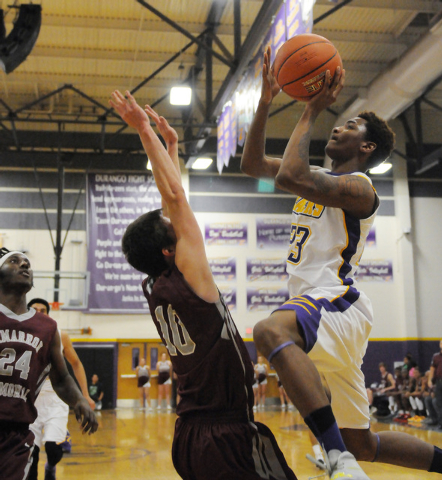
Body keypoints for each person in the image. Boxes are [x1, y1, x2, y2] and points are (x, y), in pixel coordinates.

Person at [241, 45, 442, 477]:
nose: (339, 127)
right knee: (363, 442)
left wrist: (311, 110)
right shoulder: (320, 179)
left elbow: (292, 175)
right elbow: (252, 163)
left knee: (269, 330)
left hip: (335, 302)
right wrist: (265, 102)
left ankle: (335, 457)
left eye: (350, 125)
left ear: (365, 146)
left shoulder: (361, 187)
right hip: (320, 312)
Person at [110, 90, 297, 480]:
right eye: (170, 228)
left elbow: (171, 202)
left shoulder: (160, 285)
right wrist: (145, 130)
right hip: (224, 434)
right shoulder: (192, 278)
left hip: (193, 432)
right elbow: (174, 197)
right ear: (167, 249)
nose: (176, 220)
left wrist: (171, 146)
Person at [0, 248, 98, 480]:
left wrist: (79, 400)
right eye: (14, 261)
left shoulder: (47, 328)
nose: (24, 265)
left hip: (16, 434)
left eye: (26, 263)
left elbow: (61, 377)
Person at [27, 298, 96, 480]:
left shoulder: (59, 334)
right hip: (31, 399)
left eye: (43, 310)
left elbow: (76, 363)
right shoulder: (20, 332)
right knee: (31, 455)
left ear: (48, 314)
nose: (39, 313)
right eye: (35, 309)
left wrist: (86, 396)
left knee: (52, 448)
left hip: (57, 397)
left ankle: (51, 466)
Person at [428, 340, 442, 429]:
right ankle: (441, 423)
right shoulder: (436, 356)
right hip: (439, 382)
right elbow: (432, 369)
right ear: (440, 345)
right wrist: (429, 380)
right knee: (439, 403)